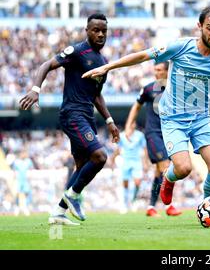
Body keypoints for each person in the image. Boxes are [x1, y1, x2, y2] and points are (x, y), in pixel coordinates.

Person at [82, 5, 210, 209]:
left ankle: (208, 207)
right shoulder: (181, 47)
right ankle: (168, 179)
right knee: (183, 168)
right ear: (199, 25)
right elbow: (144, 55)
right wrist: (108, 66)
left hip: (201, 118)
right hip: (173, 118)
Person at [19, 13, 120, 225]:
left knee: (82, 164)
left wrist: (110, 121)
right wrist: (36, 89)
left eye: (104, 31)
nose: (100, 34)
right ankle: (73, 196)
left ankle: (58, 213)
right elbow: (46, 65)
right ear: (87, 31)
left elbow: (96, 95)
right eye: (96, 30)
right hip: (72, 114)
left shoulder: (103, 62)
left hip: (87, 116)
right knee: (100, 157)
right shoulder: (76, 51)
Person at [124, 62, 182, 217]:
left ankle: (151, 206)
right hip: (153, 134)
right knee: (166, 167)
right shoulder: (149, 88)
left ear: (167, 71)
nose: (156, 73)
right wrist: (129, 125)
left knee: (158, 172)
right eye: (155, 70)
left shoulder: (176, 89)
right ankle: (169, 205)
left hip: (169, 134)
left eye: (159, 70)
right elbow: (136, 106)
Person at [110, 121, 147, 214]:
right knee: (125, 184)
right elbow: (118, 149)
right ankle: (125, 204)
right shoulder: (122, 135)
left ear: (135, 125)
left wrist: (145, 162)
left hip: (136, 161)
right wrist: (113, 158)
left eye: (133, 123)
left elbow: (144, 148)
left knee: (138, 182)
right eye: (130, 123)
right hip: (125, 161)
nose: (132, 125)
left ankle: (133, 200)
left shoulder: (140, 135)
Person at [11, 149, 33, 216]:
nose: (24, 155)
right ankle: (17, 207)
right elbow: (14, 170)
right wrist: (14, 178)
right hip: (19, 180)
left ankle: (25, 208)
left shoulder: (28, 161)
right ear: (20, 154)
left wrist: (30, 177)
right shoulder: (16, 162)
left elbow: (31, 169)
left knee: (27, 193)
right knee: (17, 193)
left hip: (25, 180)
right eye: (23, 153)